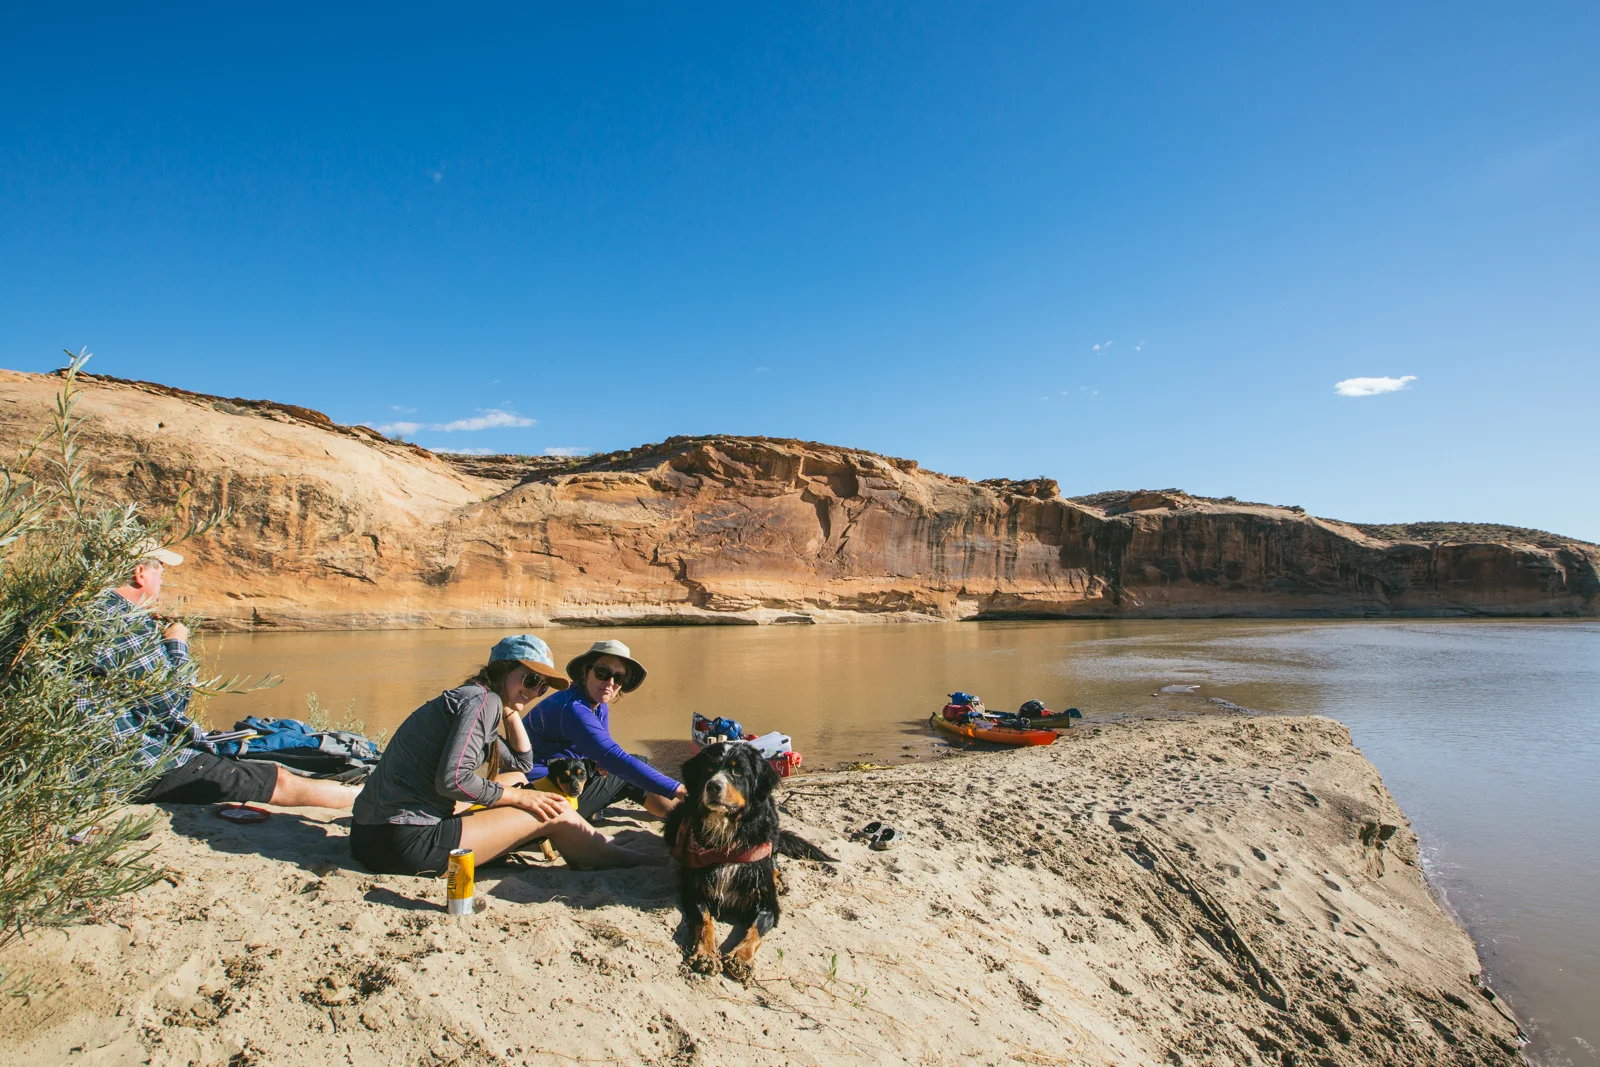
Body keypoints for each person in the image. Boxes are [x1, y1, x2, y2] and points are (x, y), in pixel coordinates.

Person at [349, 635, 658, 875]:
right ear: (503, 669)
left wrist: (511, 713)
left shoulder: (478, 697)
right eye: (530, 680)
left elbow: (522, 765)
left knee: (516, 780)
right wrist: (519, 799)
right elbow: (453, 780)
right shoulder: (481, 703)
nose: (535, 691)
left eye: (542, 688)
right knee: (556, 809)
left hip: (369, 836)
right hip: (404, 841)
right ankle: (631, 860)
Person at [85, 542, 360, 809]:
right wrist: (176, 643)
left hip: (85, 760)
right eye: (160, 571)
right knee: (276, 781)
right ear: (140, 573)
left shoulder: (73, 611)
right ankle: (368, 798)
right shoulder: (123, 624)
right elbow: (172, 702)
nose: (162, 580)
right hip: (124, 766)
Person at [522, 639, 687, 820]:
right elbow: (612, 757)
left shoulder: (598, 704)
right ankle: (686, 818)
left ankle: (680, 817)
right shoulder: (573, 708)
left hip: (561, 783)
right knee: (631, 769)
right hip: (540, 794)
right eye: (602, 673)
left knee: (630, 772)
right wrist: (677, 789)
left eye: (619, 678)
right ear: (586, 672)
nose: (610, 682)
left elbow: (602, 757)